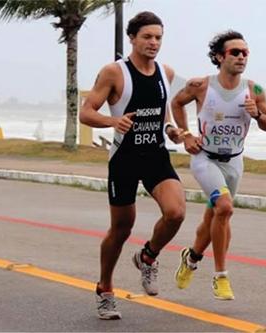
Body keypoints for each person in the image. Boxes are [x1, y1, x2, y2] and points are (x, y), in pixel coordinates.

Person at [79, 11, 186, 320]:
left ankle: (148, 256)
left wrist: (171, 130)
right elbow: (87, 113)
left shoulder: (166, 72)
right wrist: (114, 120)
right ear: (132, 39)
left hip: (155, 155)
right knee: (121, 229)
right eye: (147, 37)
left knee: (176, 212)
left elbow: (163, 113)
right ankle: (105, 289)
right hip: (124, 158)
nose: (153, 42)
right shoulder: (114, 72)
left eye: (158, 37)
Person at [171, 30, 266, 300]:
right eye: (235, 52)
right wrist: (185, 135)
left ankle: (191, 258)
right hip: (205, 158)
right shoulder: (200, 85)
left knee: (214, 217)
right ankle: (220, 276)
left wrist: (258, 114)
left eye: (245, 53)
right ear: (219, 57)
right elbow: (177, 102)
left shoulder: (254, 90)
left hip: (234, 162)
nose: (241, 57)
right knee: (225, 208)